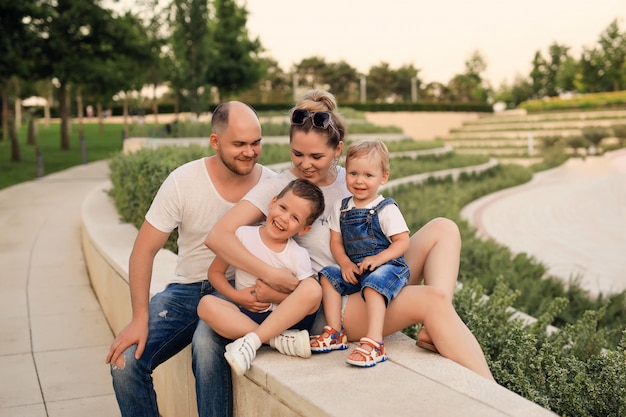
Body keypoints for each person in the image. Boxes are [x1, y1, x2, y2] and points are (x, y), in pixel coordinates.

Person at [205, 89, 495, 381]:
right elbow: (218, 236)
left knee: (444, 228)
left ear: (337, 150)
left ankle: (434, 329)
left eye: (316, 156)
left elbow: (387, 228)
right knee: (431, 301)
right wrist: (271, 275)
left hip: (373, 274)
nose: (305, 164)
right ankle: (492, 393)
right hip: (337, 301)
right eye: (297, 154)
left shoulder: (353, 179)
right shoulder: (282, 188)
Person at [105, 101, 297, 417]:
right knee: (125, 362)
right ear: (215, 141)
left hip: (237, 292)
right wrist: (139, 317)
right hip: (185, 291)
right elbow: (143, 250)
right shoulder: (183, 181)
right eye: (239, 144)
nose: (250, 152)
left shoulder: (273, 186)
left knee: (206, 349)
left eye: (256, 142)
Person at [198, 178, 325, 376]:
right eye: (283, 207)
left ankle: (255, 339)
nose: (284, 218)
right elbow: (215, 273)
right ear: (272, 202)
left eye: (295, 218)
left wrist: (273, 297)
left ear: (304, 229)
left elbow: (309, 301)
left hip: (286, 320)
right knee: (206, 305)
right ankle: (275, 340)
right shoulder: (242, 235)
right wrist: (235, 296)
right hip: (249, 314)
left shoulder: (297, 254)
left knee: (313, 288)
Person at [312, 139, 410, 367]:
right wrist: (345, 264)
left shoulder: (386, 209)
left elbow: (402, 242)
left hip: (387, 266)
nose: (359, 181)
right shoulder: (342, 207)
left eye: (368, 175)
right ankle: (336, 332)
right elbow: (335, 241)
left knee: (374, 283)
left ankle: (375, 341)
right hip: (355, 268)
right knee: (327, 275)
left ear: (383, 177)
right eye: (353, 173)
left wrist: (378, 259)